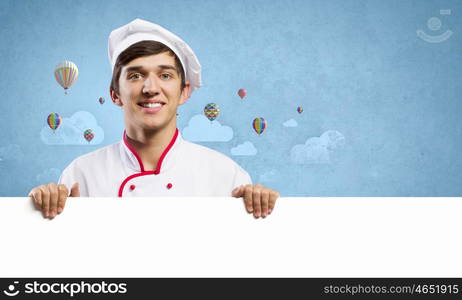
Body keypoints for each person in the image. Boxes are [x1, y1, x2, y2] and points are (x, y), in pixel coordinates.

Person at [29, 19, 279, 220]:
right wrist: (42, 210)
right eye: (136, 75)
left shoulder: (228, 176)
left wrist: (262, 208)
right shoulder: (80, 173)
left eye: (166, 75)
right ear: (115, 95)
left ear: (184, 92)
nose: (151, 88)